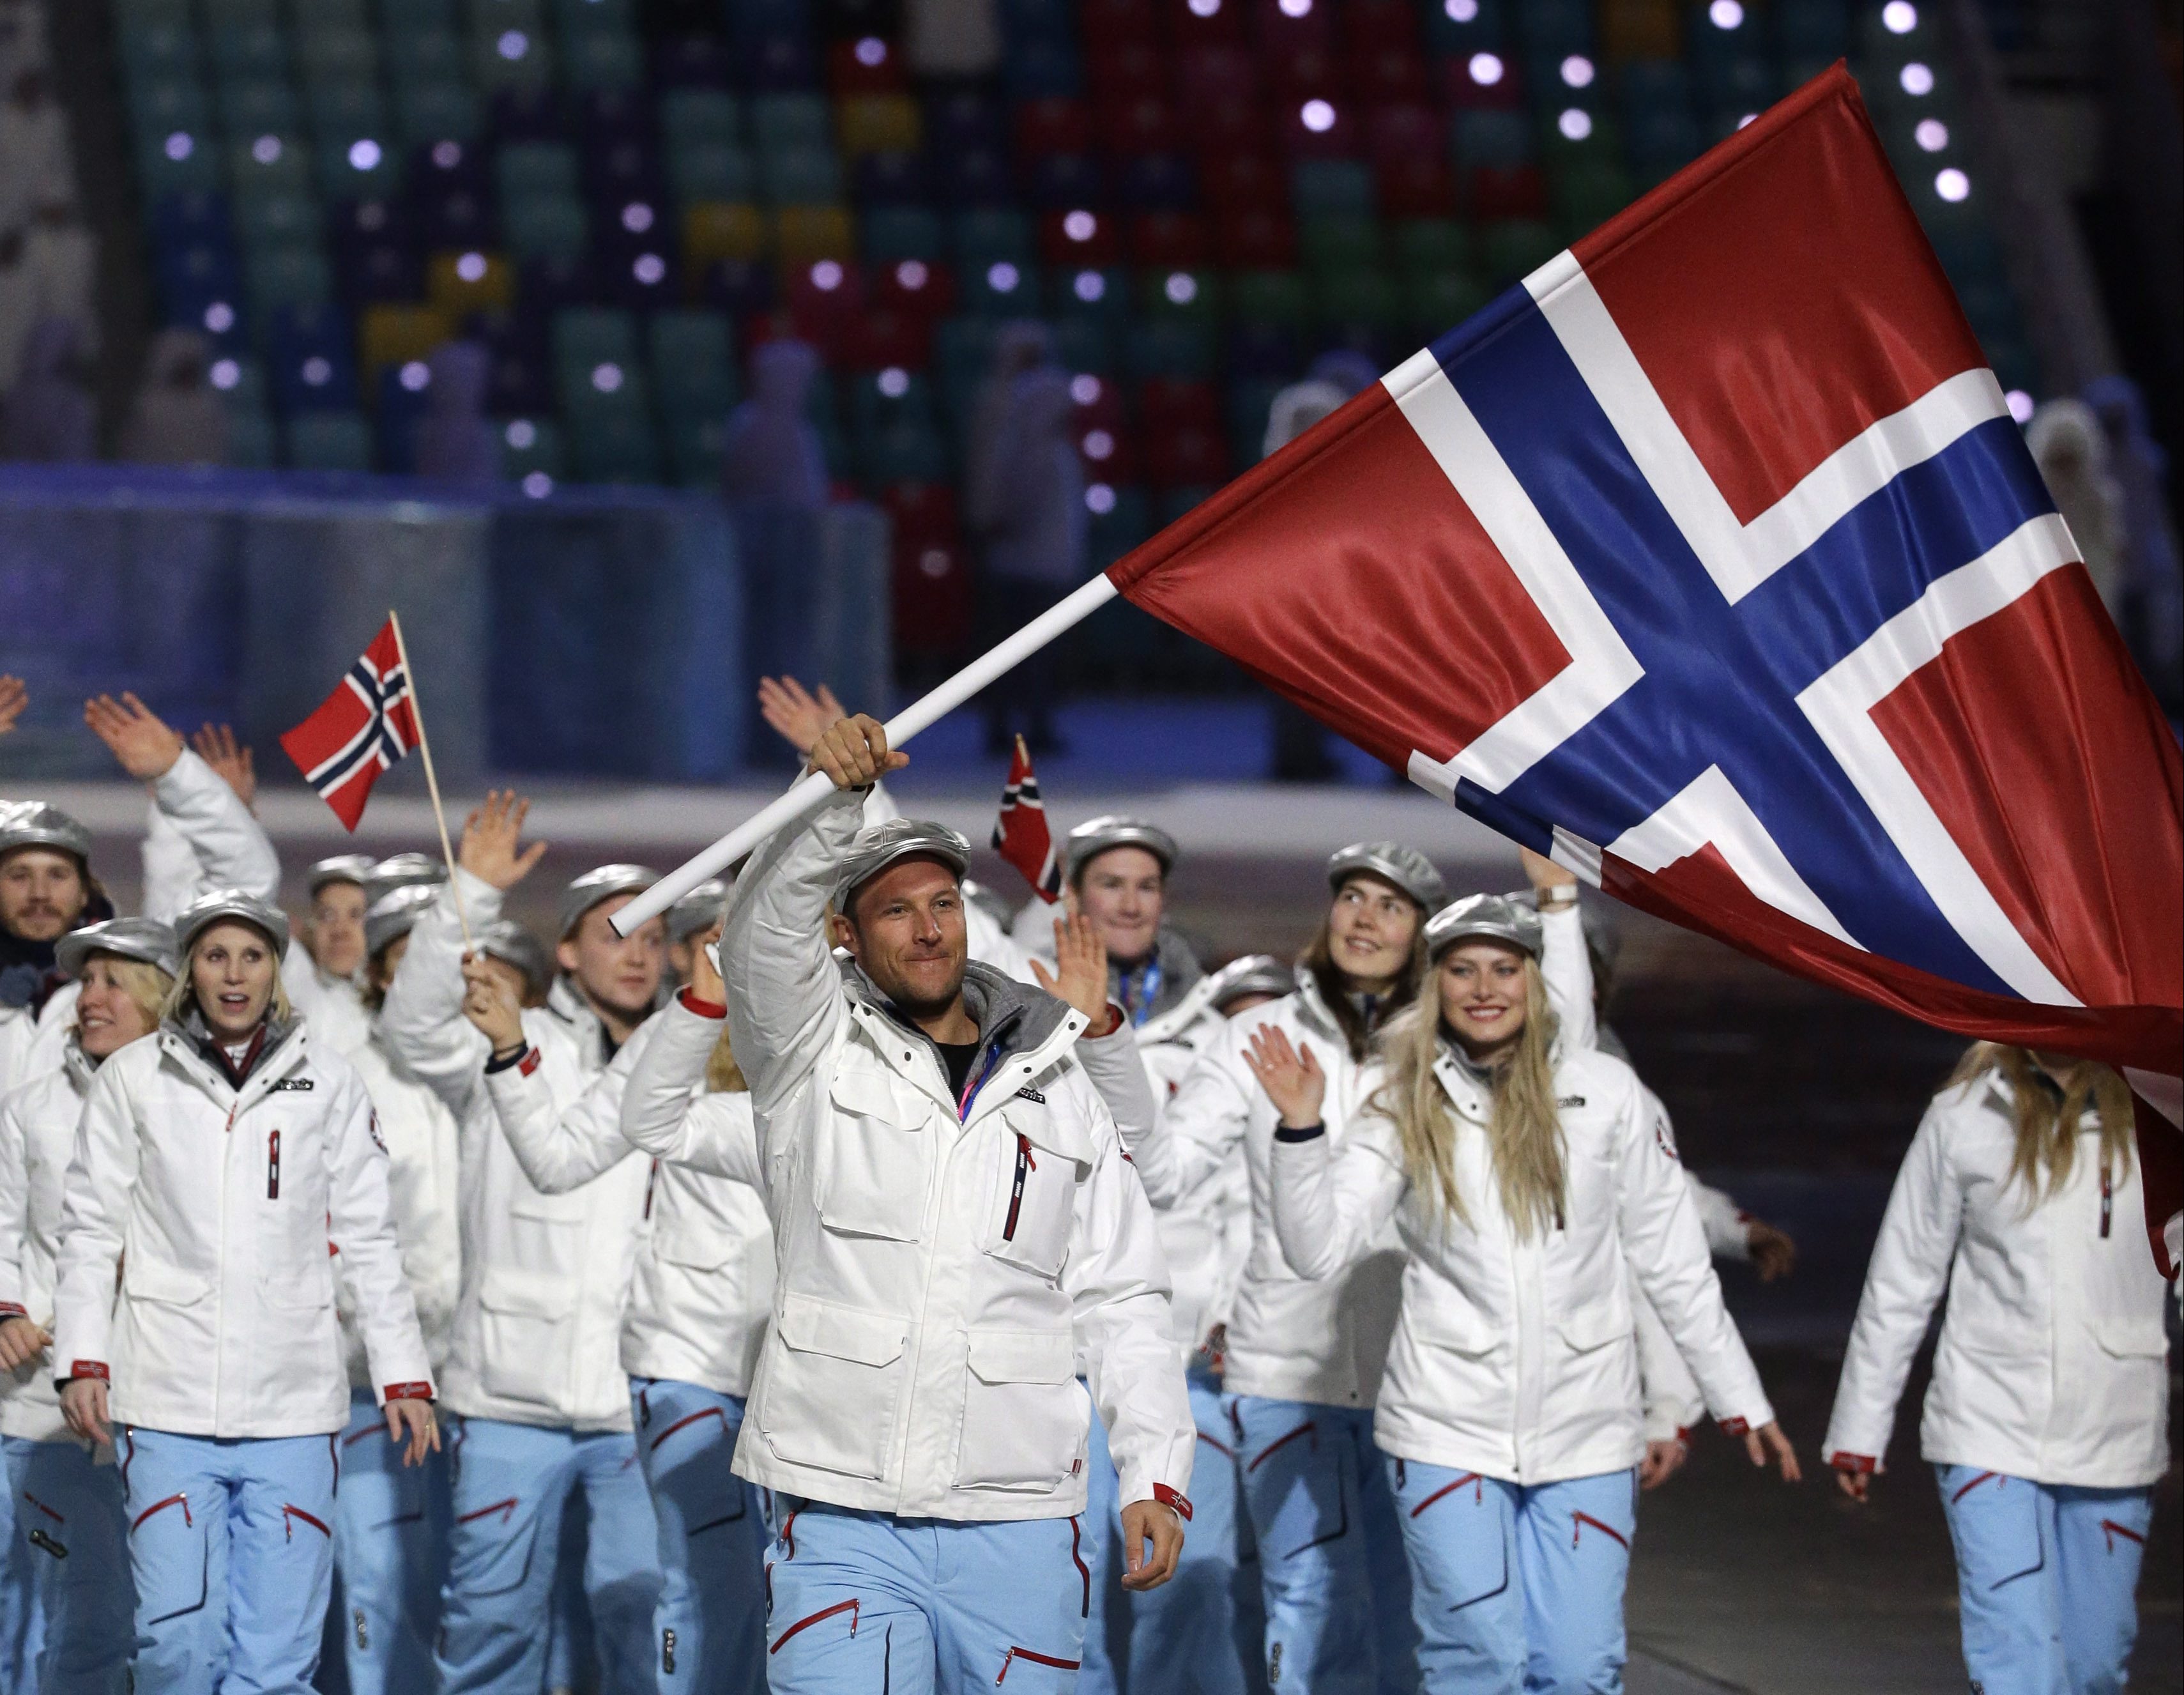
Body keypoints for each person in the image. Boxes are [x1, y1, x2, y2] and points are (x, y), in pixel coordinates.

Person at [719, 713, 1194, 1691]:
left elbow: (1125, 1294)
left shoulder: (1059, 1082)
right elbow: (761, 936)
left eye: (943, 902)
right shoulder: (805, 1051)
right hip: (841, 1504)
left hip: (1015, 1514)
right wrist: (827, 807)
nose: (928, 927)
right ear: (843, 935)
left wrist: (1153, 1471)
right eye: (895, 911)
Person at [1255, 893, 1799, 1691]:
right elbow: (1318, 1249)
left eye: (1505, 968)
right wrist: (1301, 1132)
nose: (1484, 988)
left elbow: (1672, 1262)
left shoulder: (1608, 1095)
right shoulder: (1402, 1099)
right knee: (1477, 1660)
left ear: (1535, 979)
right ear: (1434, 985)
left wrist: (1736, 1400)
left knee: (1577, 1670)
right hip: (1444, 1429)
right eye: (1462, 970)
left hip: (1587, 1435)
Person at [50, 889, 437, 1695]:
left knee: (277, 1663)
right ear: (189, 968)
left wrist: (404, 1375)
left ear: (275, 967)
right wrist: (82, 1358)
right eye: (216, 955)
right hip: (165, 1402)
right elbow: (89, 1228)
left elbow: (369, 1236)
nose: (235, 974)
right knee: (174, 1649)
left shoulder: (328, 1081)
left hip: (295, 1409)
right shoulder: (133, 1077)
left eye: (253, 955)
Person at [1127, 841, 1454, 1695]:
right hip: (1284, 1378)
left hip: (1422, 1383)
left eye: (1390, 905)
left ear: (1420, 931)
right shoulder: (1252, 1037)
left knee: (1409, 1616)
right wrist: (1102, 1045)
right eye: (1350, 895)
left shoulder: (1443, 1051)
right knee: (1308, 1607)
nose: (1363, 917)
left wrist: (1561, 910)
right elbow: (1161, 1172)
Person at [378, 792, 666, 1695]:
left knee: (643, 1614)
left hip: (637, 1402)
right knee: (492, 1619)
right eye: (615, 933)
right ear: (569, 951)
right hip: (508, 1395)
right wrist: (469, 890)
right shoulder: (512, 1036)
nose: (638, 952)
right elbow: (411, 1027)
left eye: (655, 936)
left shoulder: (692, 1064)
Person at [454, 898, 775, 1695]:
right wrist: (506, 1049)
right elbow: (560, 1159)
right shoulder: (673, 1039)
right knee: (677, 1598)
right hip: (684, 1367)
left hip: (807, 1378)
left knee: (752, 1610)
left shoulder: (856, 1037)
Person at [1823, 1043, 2173, 1695]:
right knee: (2019, 1666)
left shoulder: (2160, 1110)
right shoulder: (1962, 1115)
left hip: (2114, 1428)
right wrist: (1859, 1428)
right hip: (1984, 1423)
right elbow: (1902, 1276)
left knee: (2094, 1665)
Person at [0, 917, 174, 1695]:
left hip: (154, 1409)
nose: (89, 997)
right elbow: (3, 1219)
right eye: (86, 980)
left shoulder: (200, 1109)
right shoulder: (31, 1103)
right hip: (37, 1411)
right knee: (50, 1602)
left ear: (159, 997)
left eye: (112, 981)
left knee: (123, 1617)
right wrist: (8, 1311)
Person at [2, 692, 279, 1095]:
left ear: (85, 891)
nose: (39, 893)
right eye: (19, 876)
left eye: (58, 875)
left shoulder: (145, 963)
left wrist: (175, 775)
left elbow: (249, 879)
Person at [326, 886, 464, 1695]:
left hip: (482, 1382)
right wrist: (371, 1336)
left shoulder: (494, 1063)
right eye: (403, 958)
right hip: (368, 1384)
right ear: (377, 975)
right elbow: (332, 1224)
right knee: (376, 1581)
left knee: (458, 1584)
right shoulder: (344, 1076)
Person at [1013, 817, 1204, 1028]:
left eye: (1146, 887)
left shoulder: (1206, 1016)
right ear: (1073, 896)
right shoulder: (1031, 1009)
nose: (1131, 907)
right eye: (1112, 885)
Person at [284, 854, 378, 1058]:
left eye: (355, 915)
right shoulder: (295, 992)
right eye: (327, 915)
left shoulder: (403, 1004)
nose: (339, 930)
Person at [117, 328, 228, 467]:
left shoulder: (210, 408)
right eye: (184, 368)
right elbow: (132, 456)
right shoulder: (147, 409)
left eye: (191, 368)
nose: (188, 374)